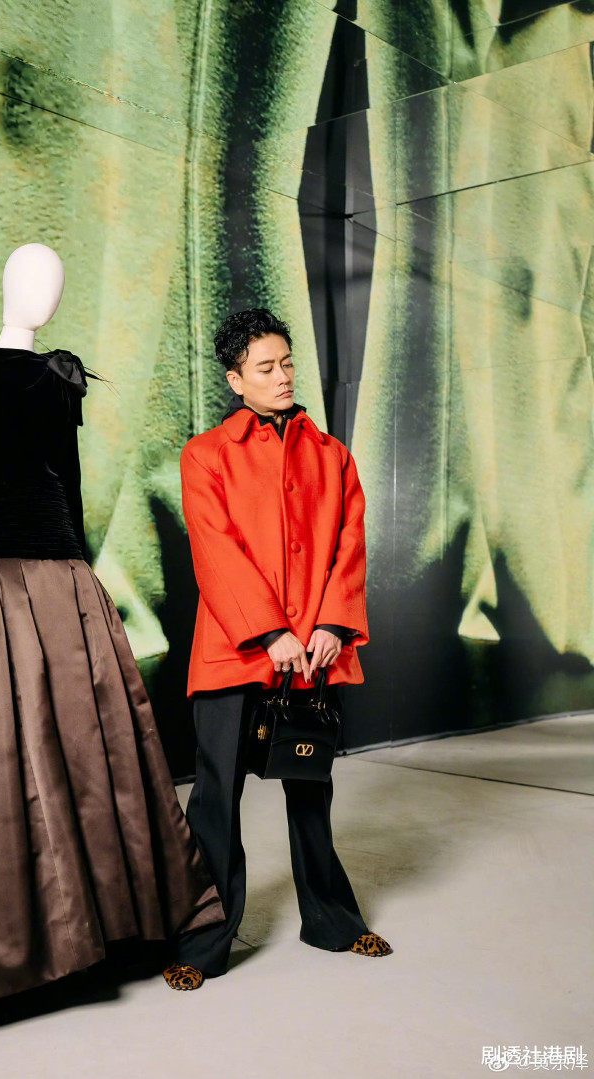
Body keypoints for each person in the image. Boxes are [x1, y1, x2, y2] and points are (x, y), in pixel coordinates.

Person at [0, 244, 223, 1066]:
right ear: (7, 285)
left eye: (54, 282)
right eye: (35, 279)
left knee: (81, 749)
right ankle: (6, 940)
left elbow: (67, 479)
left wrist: (83, 577)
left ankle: (92, 929)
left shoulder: (61, 377)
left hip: (59, 572)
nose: (45, 294)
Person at [162, 308, 392, 991]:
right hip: (235, 650)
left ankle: (333, 921)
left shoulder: (333, 455)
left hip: (315, 653)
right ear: (236, 380)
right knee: (214, 798)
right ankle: (203, 942)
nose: (284, 375)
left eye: (287, 362)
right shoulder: (206, 455)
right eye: (266, 367)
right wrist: (270, 631)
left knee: (311, 789)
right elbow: (216, 550)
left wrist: (332, 625)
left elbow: (350, 543)